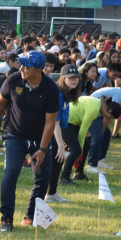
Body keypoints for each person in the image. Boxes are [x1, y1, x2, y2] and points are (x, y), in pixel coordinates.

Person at [0, 51, 59, 233]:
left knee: (42, 177)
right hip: (14, 135)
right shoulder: (13, 79)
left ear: (38, 70)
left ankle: (30, 215)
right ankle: (7, 217)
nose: (21, 69)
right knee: (10, 173)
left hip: (39, 139)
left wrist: (43, 148)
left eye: (26, 66)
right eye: (21, 65)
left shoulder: (51, 88)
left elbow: (50, 122)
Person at [45, 65, 82, 202]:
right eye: (70, 78)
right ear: (62, 78)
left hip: (54, 129)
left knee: (57, 162)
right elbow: (54, 122)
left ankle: (51, 193)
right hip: (47, 131)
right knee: (55, 161)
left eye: (76, 77)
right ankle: (49, 194)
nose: (74, 80)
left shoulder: (67, 93)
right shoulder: (59, 94)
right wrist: (60, 146)